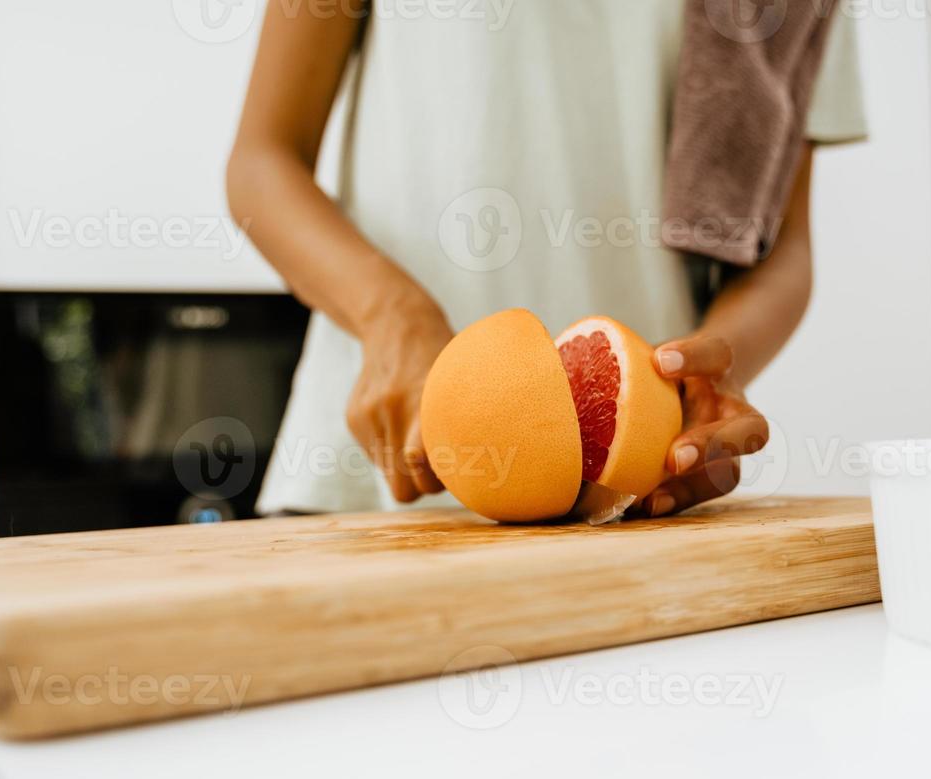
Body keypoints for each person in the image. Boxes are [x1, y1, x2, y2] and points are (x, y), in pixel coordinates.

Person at [228, 0, 866, 518]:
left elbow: (782, 249)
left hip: (633, 493)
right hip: (371, 478)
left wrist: (698, 376)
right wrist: (391, 316)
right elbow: (262, 163)